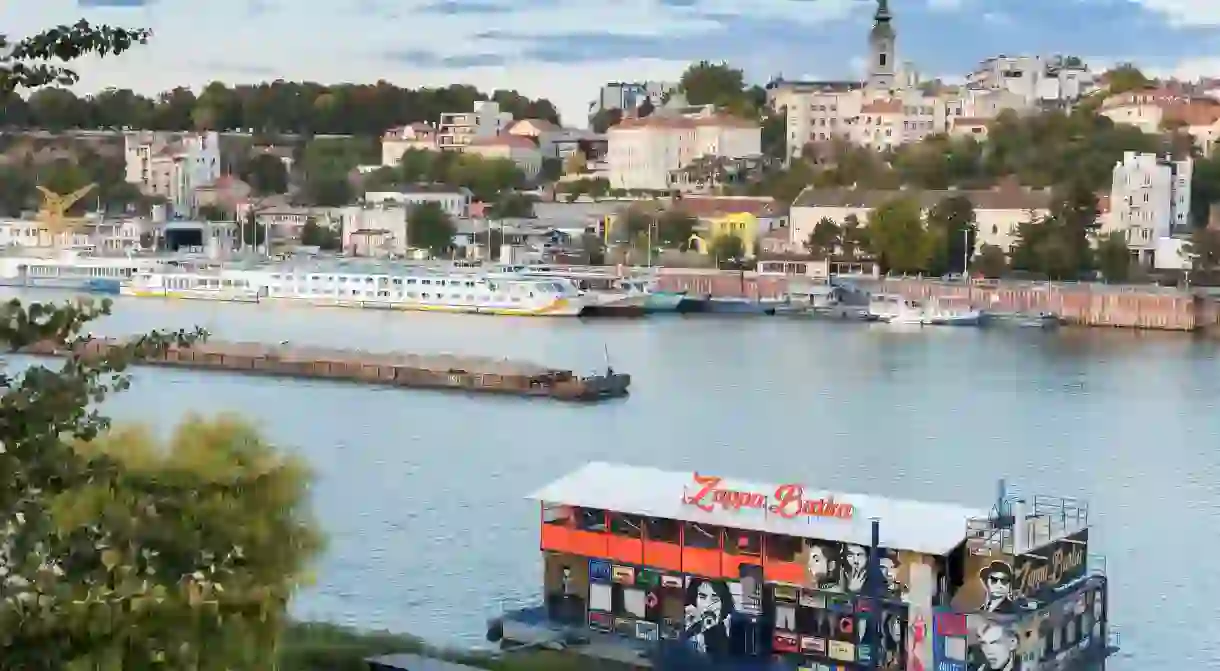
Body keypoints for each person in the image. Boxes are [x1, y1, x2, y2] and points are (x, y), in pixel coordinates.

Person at [683, 578, 734, 655]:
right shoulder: (688, 635)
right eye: (702, 597)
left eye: (715, 599)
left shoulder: (733, 635)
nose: (708, 605)